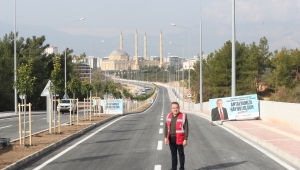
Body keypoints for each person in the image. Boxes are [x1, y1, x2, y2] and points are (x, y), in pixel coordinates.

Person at [164, 101, 188, 170]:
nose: (175, 109)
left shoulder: (183, 116)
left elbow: (186, 128)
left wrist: (185, 139)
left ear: (179, 108)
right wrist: (165, 137)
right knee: (173, 154)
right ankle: (174, 168)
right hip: (171, 138)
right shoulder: (168, 116)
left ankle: (182, 168)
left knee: (181, 154)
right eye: (173, 108)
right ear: (171, 109)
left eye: (176, 108)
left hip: (180, 139)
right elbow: (166, 127)